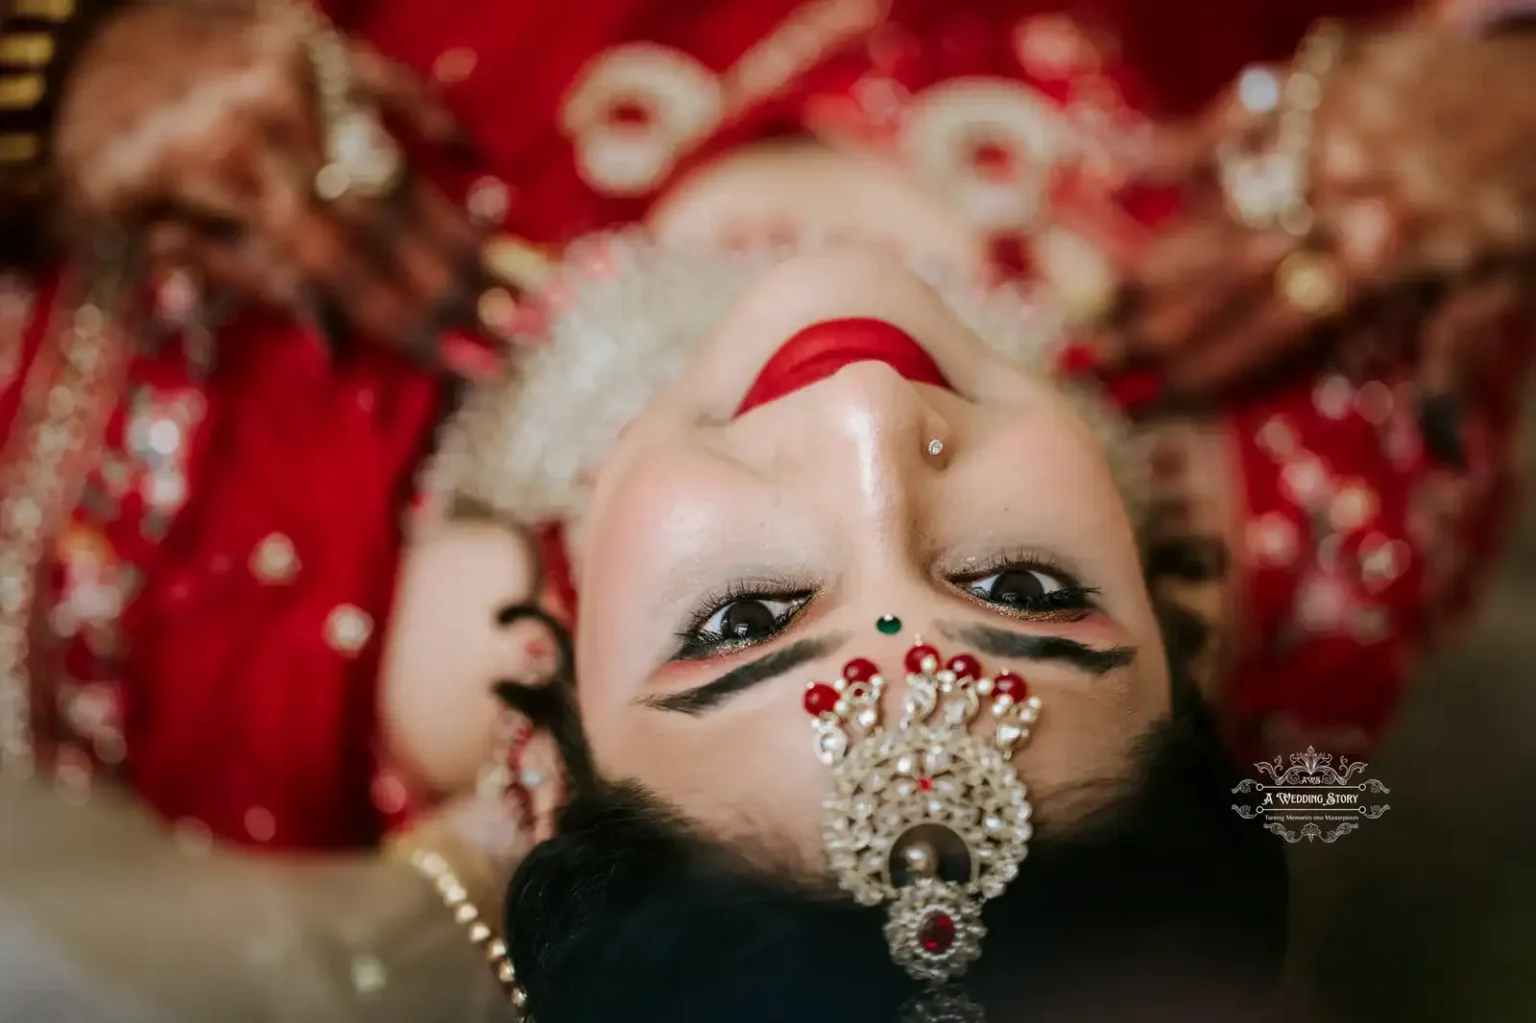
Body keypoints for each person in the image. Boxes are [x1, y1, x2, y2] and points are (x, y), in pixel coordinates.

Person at [1, 0, 1533, 959]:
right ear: (1189, 636)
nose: (868, 435)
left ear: (542, 754)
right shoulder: (1345, 427)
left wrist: (56, 70)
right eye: (1021, 586)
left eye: (743, 618)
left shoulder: (149, 558)